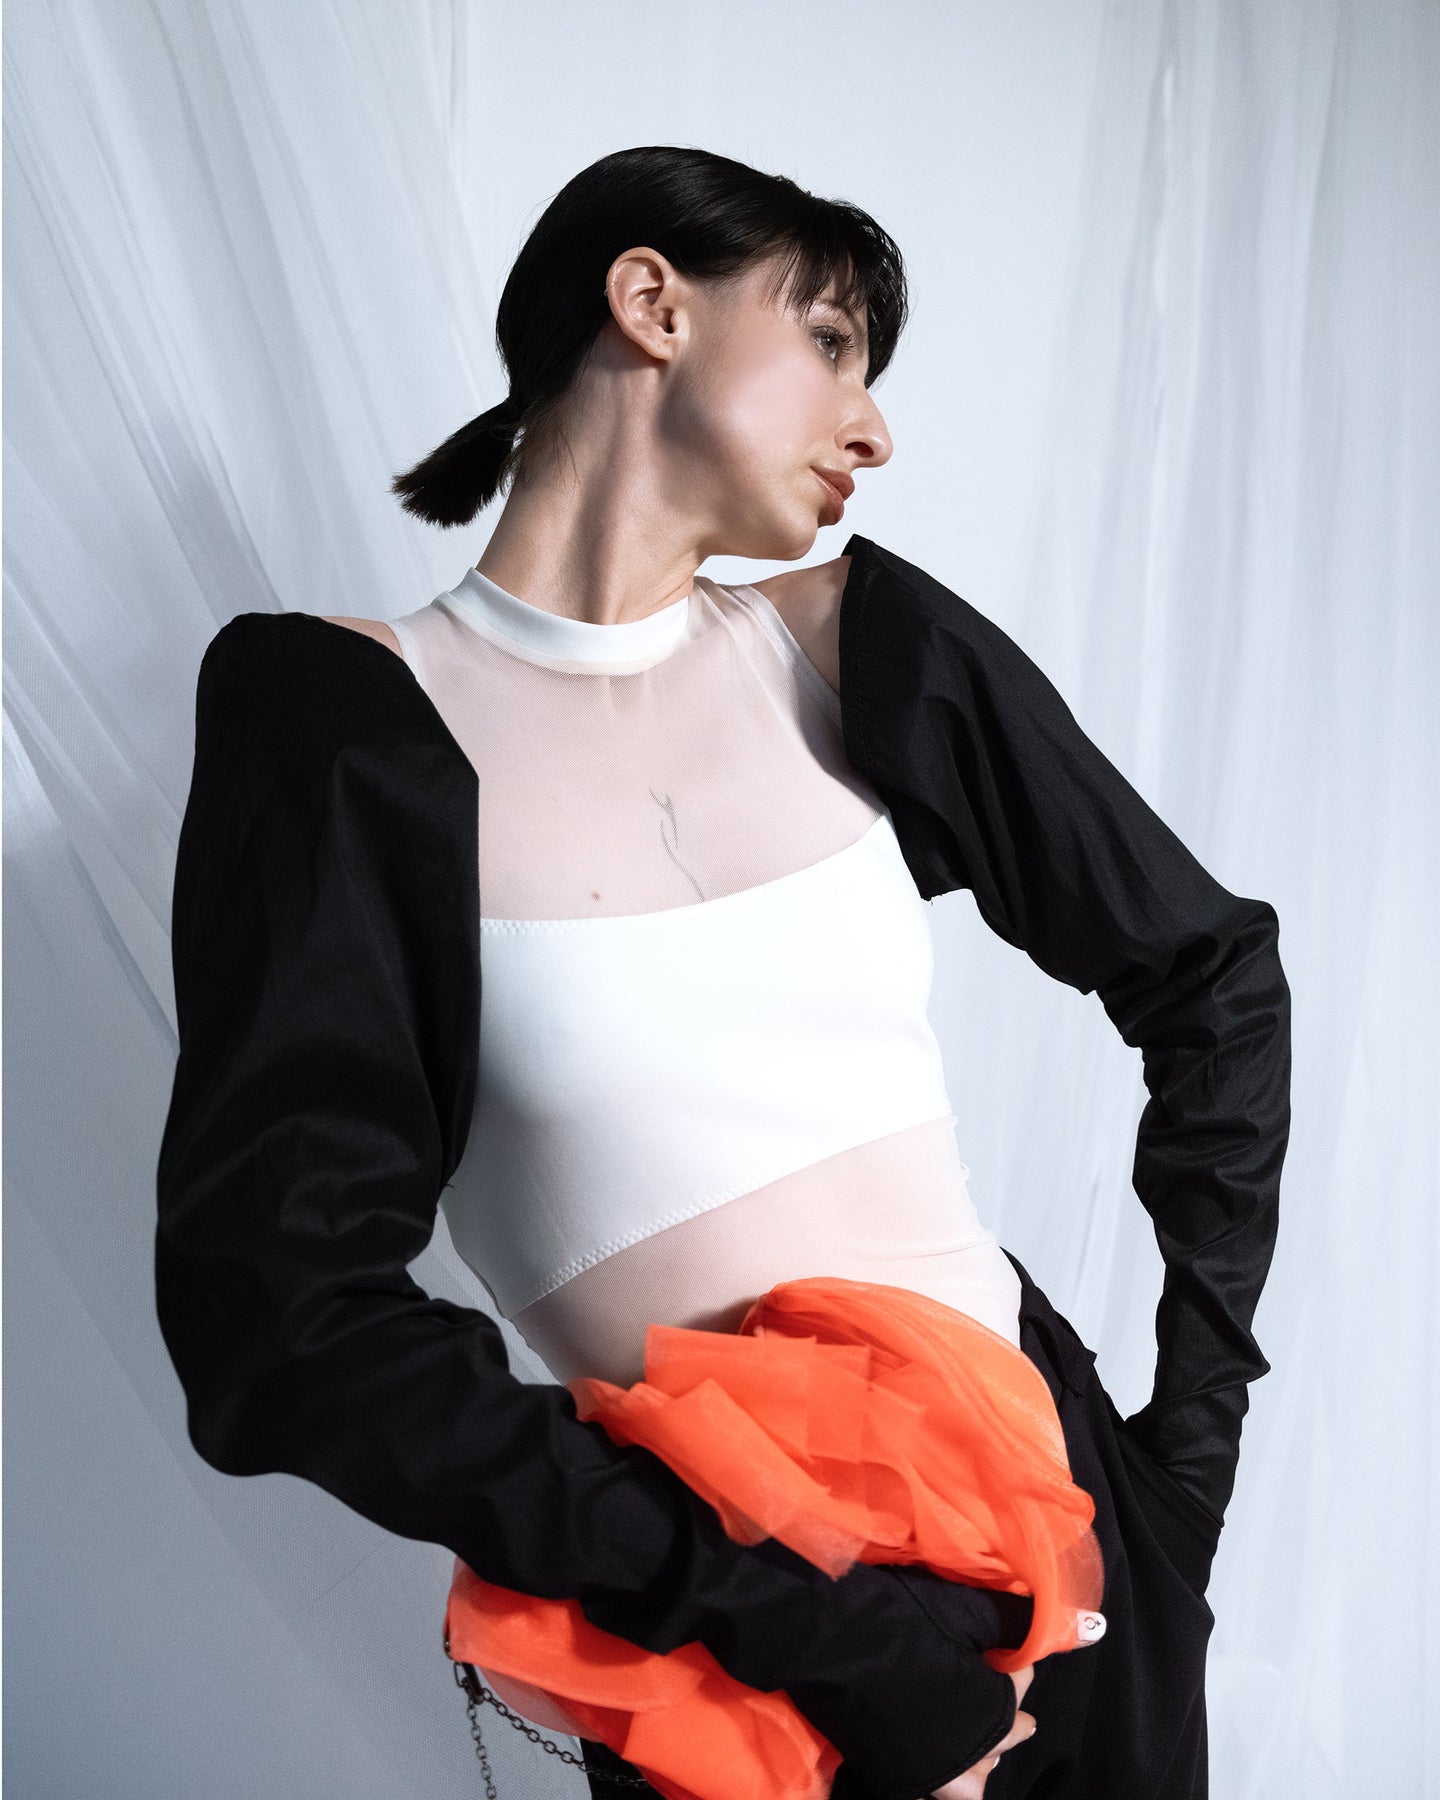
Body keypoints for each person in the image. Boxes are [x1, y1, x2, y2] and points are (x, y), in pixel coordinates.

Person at [155, 146, 1291, 1800]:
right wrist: (835, 1641)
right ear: (651, 303)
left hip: (1080, 1565)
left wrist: (1184, 1467)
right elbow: (279, 1319)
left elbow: (1214, 975)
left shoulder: (856, 651)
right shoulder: (341, 724)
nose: (873, 428)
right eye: (831, 343)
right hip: (745, 1658)